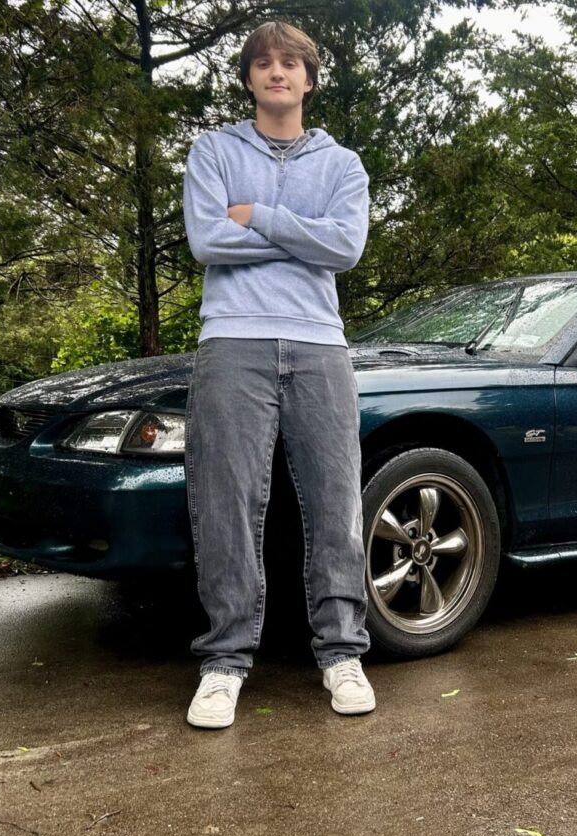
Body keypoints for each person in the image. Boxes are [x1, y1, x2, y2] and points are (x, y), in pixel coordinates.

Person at [182, 21, 374, 729]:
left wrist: (258, 216)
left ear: (309, 79)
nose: (277, 73)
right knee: (225, 502)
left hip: (321, 346)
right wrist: (301, 236)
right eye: (263, 63)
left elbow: (344, 247)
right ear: (249, 79)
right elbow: (207, 239)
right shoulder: (213, 151)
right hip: (233, 341)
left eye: (290, 63)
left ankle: (342, 653)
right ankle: (225, 662)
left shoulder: (342, 165)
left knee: (335, 502)